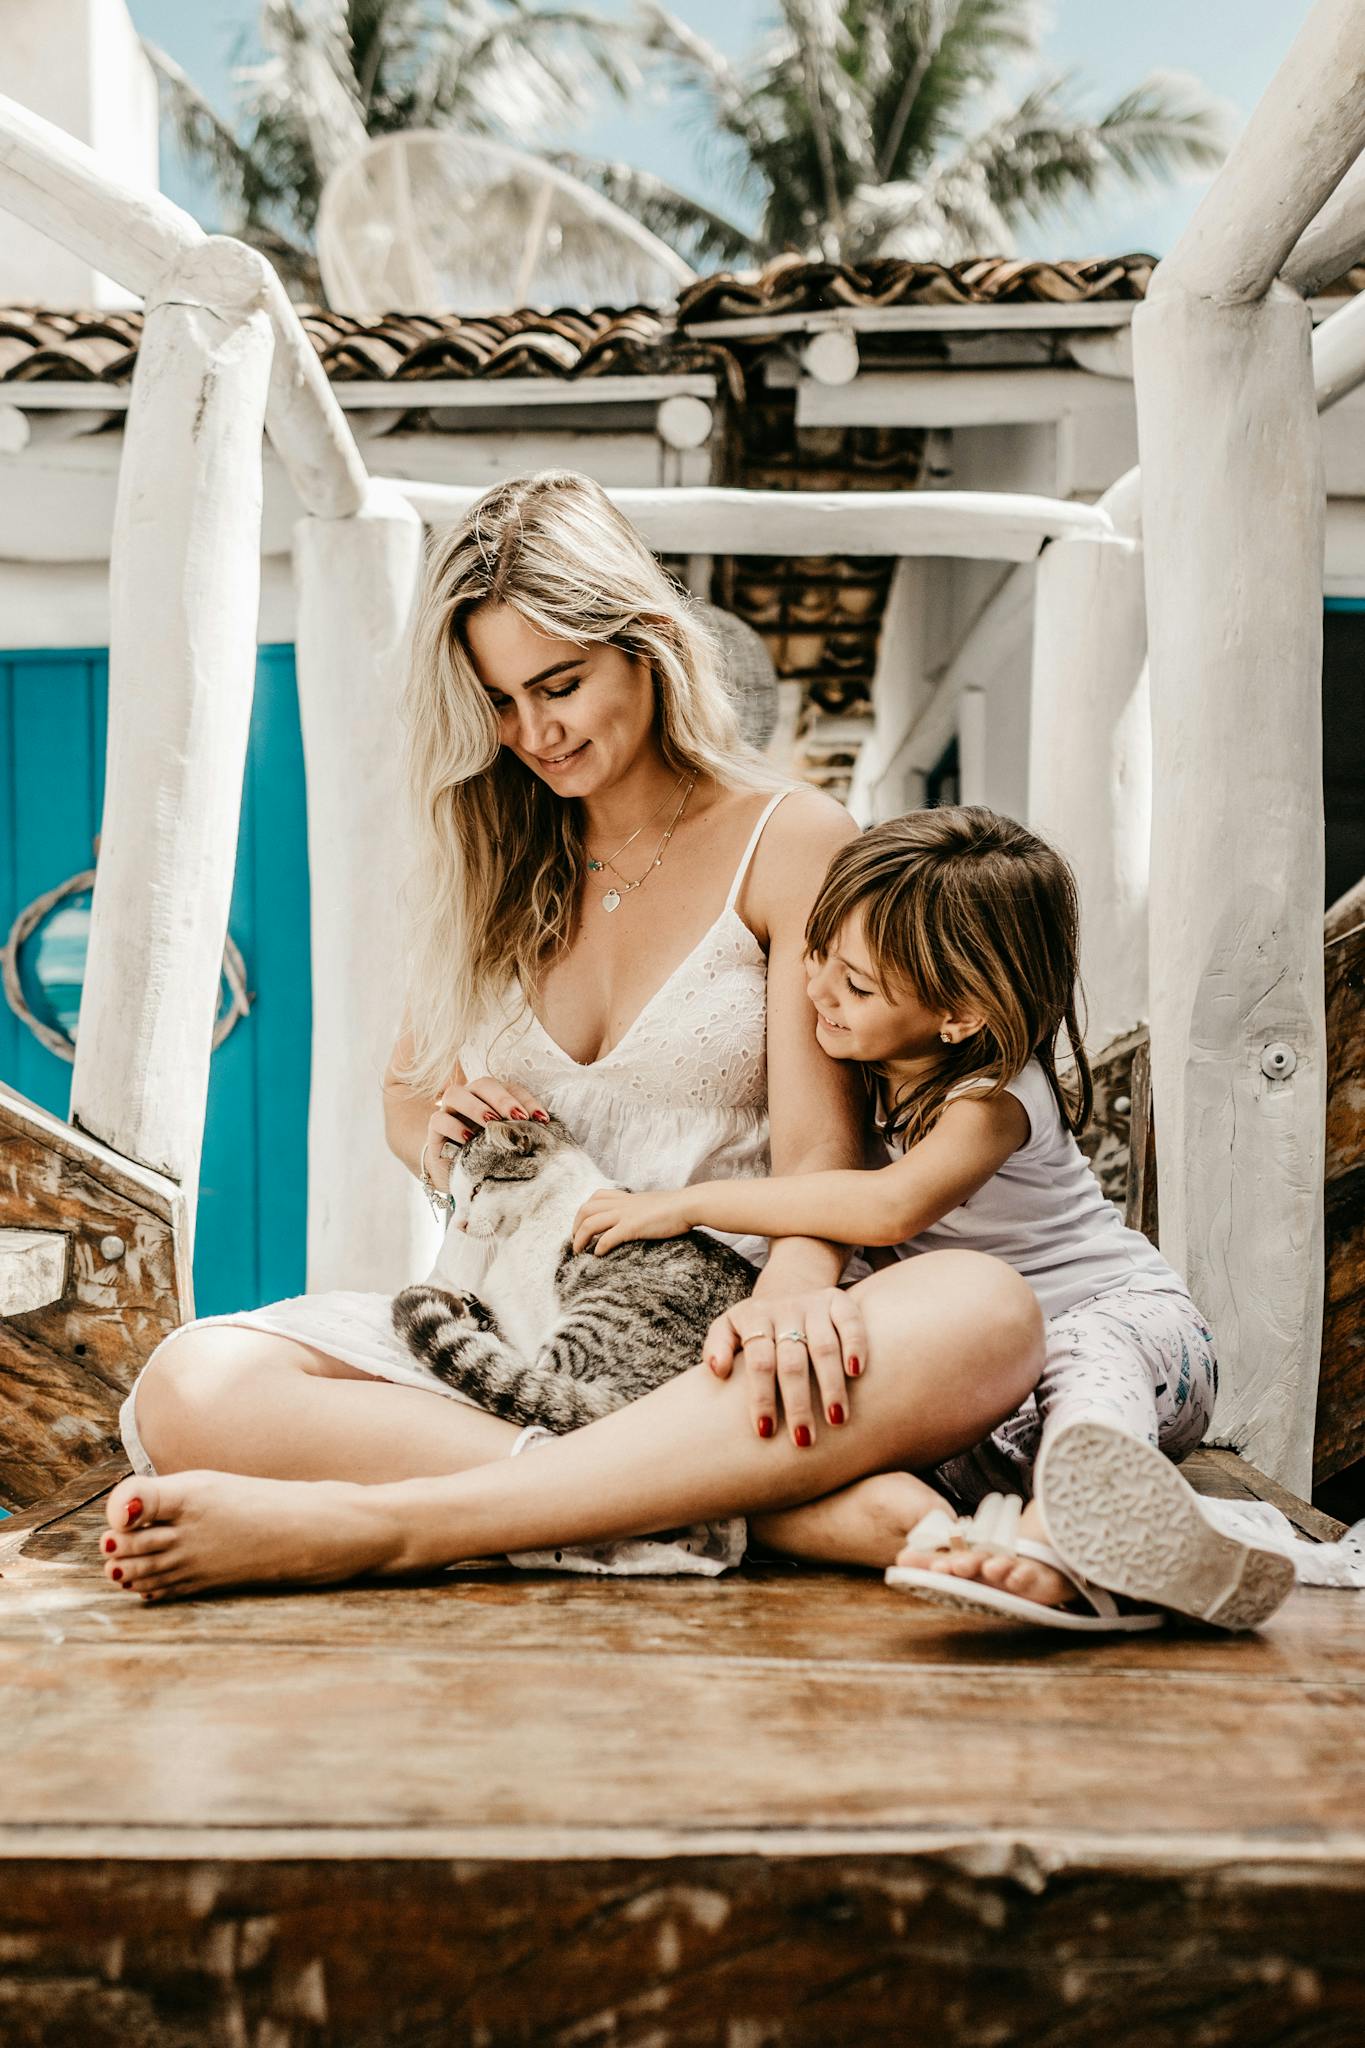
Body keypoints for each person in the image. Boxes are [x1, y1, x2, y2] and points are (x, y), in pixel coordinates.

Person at [102, 474, 1045, 1601]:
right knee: (192, 1383)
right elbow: (408, 1101)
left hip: (713, 1338)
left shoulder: (792, 836)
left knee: (985, 1314)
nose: (534, 733)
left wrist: (796, 1295)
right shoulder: (480, 851)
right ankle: (751, 1512)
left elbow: (819, 1155)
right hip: (505, 1318)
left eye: (560, 685)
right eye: (498, 702)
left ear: (645, 644)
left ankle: (386, 1525)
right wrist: (446, 1134)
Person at [572, 808, 1293, 1633]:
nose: (816, 990)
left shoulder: (993, 1099)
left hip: (1135, 1340)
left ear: (959, 1015)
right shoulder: (861, 1065)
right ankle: (1097, 1558)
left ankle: (1065, 1529)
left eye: (856, 986)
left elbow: (886, 1208)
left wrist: (685, 1203)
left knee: (1079, 1353)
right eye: (816, 953)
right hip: (994, 1387)